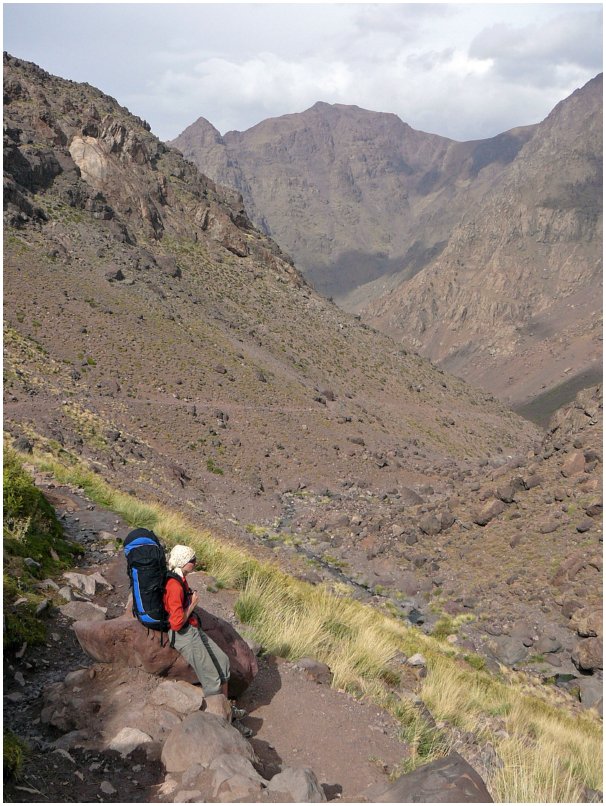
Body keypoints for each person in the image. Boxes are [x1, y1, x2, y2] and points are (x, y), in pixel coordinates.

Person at [163, 544, 251, 735]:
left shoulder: (181, 579)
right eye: (192, 560)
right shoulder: (173, 585)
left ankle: (227, 711)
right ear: (184, 563)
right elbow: (176, 623)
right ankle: (221, 726)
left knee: (223, 663)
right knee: (212, 678)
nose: (195, 563)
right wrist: (193, 605)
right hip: (183, 635)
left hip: (192, 629)